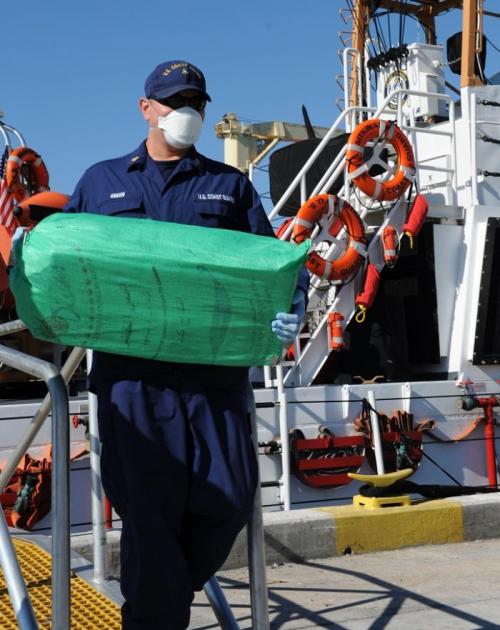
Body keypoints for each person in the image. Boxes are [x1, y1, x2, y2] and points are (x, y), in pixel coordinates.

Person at [65, 59, 307, 630]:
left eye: (196, 103)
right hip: (132, 382)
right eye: (175, 102)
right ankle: (156, 616)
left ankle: (156, 604)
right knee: (149, 516)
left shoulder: (230, 186)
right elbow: (70, 263)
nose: (188, 113)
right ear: (146, 108)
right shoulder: (101, 182)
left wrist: (292, 306)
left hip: (212, 378)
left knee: (228, 499)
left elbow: (274, 265)